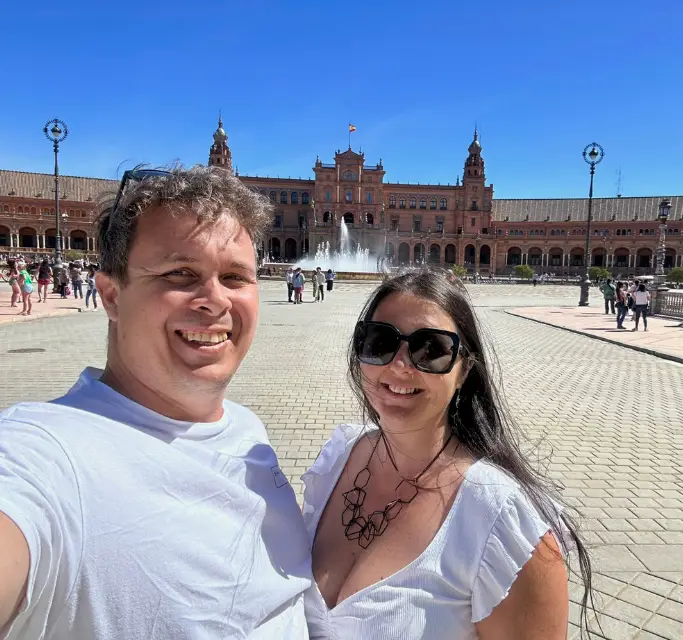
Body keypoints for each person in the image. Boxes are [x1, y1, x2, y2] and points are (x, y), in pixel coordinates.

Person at [0, 166, 311, 639]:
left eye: (234, 276)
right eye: (180, 273)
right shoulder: (46, 454)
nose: (215, 301)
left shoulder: (247, 433)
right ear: (111, 295)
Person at [301, 268, 592, 639]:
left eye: (431, 349)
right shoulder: (338, 458)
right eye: (379, 341)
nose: (399, 365)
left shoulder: (501, 522)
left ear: (464, 370)